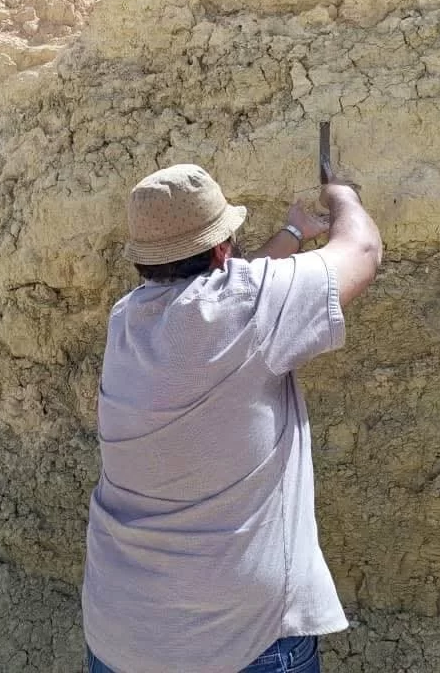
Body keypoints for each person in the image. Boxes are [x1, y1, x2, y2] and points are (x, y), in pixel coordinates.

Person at [82, 164, 382, 673]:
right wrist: (342, 195)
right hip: (240, 641)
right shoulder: (246, 308)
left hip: (120, 635)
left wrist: (291, 234)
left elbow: (230, 295)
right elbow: (364, 251)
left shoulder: (126, 319)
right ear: (223, 249)